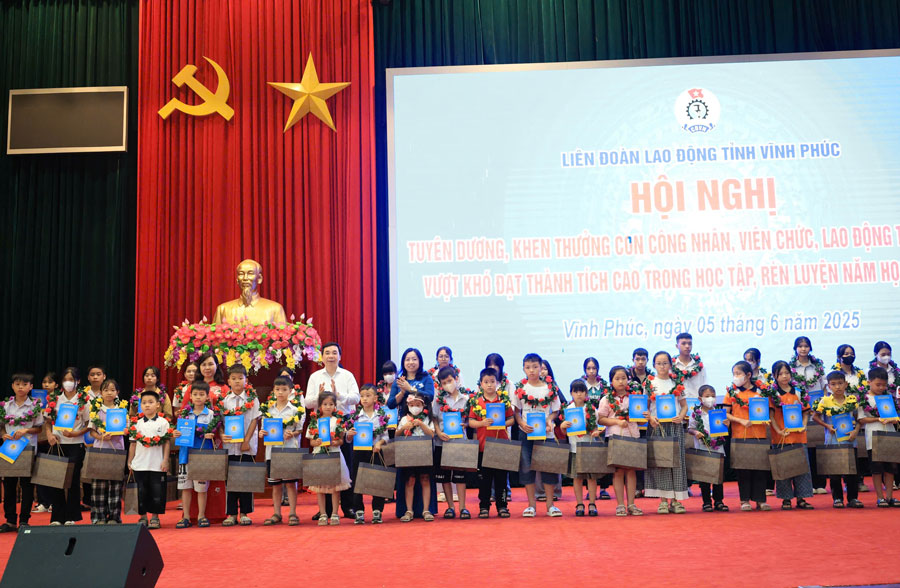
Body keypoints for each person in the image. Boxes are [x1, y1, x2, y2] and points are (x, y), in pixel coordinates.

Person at [305, 342, 359, 519]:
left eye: (334, 353)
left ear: (340, 356)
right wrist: (319, 396)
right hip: (322, 426)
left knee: (346, 466)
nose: (330, 356)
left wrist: (338, 395)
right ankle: (326, 510)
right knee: (324, 467)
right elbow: (307, 402)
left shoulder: (347, 375)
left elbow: (356, 398)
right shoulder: (315, 377)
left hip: (342, 424)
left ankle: (348, 506)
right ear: (322, 357)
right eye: (327, 353)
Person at [388, 348, 436, 518]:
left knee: (424, 474)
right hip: (405, 425)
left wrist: (412, 389)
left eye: (414, 359)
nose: (411, 362)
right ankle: (406, 509)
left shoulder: (426, 378)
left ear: (419, 361)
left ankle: (426, 509)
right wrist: (403, 391)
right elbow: (391, 404)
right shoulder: (399, 380)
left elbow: (430, 396)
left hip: (423, 424)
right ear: (403, 362)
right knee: (408, 475)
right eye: (407, 359)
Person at [512, 353, 562, 518]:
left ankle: (550, 505)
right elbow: (516, 411)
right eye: (528, 367)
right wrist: (521, 423)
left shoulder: (550, 387)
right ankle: (531, 505)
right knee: (527, 467)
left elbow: (556, 410)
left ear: (541, 367)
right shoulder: (520, 388)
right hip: (526, 433)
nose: (532, 370)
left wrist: (549, 419)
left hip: (546, 433)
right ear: (524, 369)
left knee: (548, 467)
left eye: (535, 367)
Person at [44, 367, 90, 525]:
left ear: (78, 381)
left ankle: (72, 516)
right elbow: (48, 421)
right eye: (65, 380)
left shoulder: (83, 399)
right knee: (57, 479)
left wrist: (77, 434)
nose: (68, 383)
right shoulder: (55, 398)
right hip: (58, 443)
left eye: (71, 379)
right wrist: (50, 435)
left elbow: (89, 424)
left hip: (75, 444)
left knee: (72, 480)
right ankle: (57, 516)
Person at [645, 351, 689, 514]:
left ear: (670, 365)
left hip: (675, 426)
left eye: (665, 363)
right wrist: (650, 419)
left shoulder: (676, 383)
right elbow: (645, 407)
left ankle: (677, 501)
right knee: (661, 462)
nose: (662, 366)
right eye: (658, 363)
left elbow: (684, 405)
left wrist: (681, 416)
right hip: (657, 427)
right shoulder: (650, 383)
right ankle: (663, 501)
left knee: (676, 463)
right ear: (654, 365)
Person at [467, 368, 513, 518]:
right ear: (480, 384)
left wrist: (503, 423)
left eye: (492, 382)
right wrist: (482, 423)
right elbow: (471, 422)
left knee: (501, 479)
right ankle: (484, 506)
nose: (489, 385)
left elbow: (512, 419)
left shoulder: (504, 401)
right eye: (486, 382)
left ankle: (502, 506)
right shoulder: (477, 401)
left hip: (501, 445)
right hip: (483, 446)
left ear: (498, 383)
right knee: (485, 480)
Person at [812, 371, 863, 508]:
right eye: (833, 384)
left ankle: (853, 498)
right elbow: (815, 417)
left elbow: (860, 419)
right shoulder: (825, 400)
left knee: (852, 471)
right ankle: (837, 498)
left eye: (840, 383)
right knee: (834, 472)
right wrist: (827, 425)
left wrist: (856, 431)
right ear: (828, 386)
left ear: (846, 384)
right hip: (833, 440)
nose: (838, 387)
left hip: (850, 440)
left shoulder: (852, 400)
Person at [597, 366, 643, 516]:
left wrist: (644, 416)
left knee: (631, 471)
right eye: (617, 378)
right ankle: (620, 505)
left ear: (628, 379)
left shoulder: (635, 398)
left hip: (632, 436)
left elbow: (641, 422)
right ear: (611, 381)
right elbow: (601, 419)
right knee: (618, 472)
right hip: (615, 437)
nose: (621, 381)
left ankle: (631, 504)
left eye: (624, 378)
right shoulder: (606, 399)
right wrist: (617, 422)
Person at [173, 381, 219, 528]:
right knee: (185, 487)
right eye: (195, 394)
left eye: (201, 394)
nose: (198, 397)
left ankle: (201, 516)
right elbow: (178, 433)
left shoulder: (211, 414)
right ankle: (186, 517)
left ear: (207, 397)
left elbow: (216, 432)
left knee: (201, 488)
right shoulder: (185, 414)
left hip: (202, 456)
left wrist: (211, 434)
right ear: (190, 397)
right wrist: (176, 433)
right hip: (185, 455)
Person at [0, 373, 43, 531]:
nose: (20, 387)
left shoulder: (35, 405)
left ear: (31, 387)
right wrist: (3, 434)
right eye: (17, 384)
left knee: (27, 486)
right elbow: (2, 425)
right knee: (9, 485)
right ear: (12, 386)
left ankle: (24, 520)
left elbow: (39, 428)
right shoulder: (5, 405)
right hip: (9, 448)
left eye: (24, 384)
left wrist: (26, 430)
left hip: (27, 448)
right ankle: (10, 520)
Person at [769, 361, 814, 510]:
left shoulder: (799, 391)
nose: (784, 376)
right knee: (783, 469)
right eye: (780, 374)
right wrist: (778, 430)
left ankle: (802, 498)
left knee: (801, 468)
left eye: (787, 373)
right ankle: (786, 499)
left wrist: (804, 425)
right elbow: (771, 415)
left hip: (798, 436)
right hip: (781, 436)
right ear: (774, 375)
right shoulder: (772, 393)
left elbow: (806, 412)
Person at [259, 376, 305, 526]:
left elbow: (299, 430)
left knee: (290, 483)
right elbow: (263, 429)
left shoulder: (295, 409)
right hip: (272, 451)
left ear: (290, 391)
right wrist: (261, 433)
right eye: (277, 389)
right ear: (273, 391)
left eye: (284, 390)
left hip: (289, 450)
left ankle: (293, 512)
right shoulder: (267, 410)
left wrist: (292, 433)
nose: (280, 392)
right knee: (275, 484)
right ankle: (277, 513)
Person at [725, 360, 770, 511]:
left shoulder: (761, 391)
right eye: (734, 374)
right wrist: (741, 421)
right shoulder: (731, 392)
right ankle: (744, 500)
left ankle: (760, 499)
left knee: (760, 469)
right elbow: (726, 414)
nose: (735, 376)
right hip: (739, 434)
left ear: (748, 375)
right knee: (742, 470)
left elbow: (768, 410)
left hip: (759, 434)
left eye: (738, 373)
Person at [220, 364, 260, 526]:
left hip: (247, 445)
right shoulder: (224, 401)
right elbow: (220, 422)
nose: (237, 381)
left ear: (246, 380)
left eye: (240, 378)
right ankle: (231, 513)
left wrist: (246, 441)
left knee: (245, 478)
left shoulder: (252, 398)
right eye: (234, 379)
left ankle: (244, 512)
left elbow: (254, 420)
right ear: (228, 381)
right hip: (229, 446)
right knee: (230, 480)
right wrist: (222, 434)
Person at [126, 390, 172, 529]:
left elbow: (166, 443)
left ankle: (155, 517)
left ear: (158, 405)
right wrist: (130, 461)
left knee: (157, 492)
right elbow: (133, 444)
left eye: (150, 402)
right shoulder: (136, 423)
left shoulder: (163, 423)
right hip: (140, 464)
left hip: (157, 464)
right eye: (144, 403)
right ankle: (143, 517)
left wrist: (165, 460)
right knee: (141, 491)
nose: (147, 405)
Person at [346, 384, 390, 524]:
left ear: (375, 398)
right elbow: (347, 438)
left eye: (368, 395)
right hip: (359, 452)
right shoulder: (355, 416)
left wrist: (379, 443)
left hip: (376, 450)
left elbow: (386, 435)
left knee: (378, 480)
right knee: (358, 480)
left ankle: (377, 510)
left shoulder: (381, 415)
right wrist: (350, 435)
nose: (364, 399)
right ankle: (359, 511)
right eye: (362, 396)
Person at [432, 366, 472, 519]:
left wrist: (467, 424)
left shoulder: (466, 398)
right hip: (442, 442)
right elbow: (434, 418)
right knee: (445, 477)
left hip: (460, 442)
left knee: (460, 477)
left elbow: (471, 419)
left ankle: (463, 507)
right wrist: (438, 432)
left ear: (456, 379)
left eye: (450, 380)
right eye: (444, 382)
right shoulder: (439, 400)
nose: (448, 384)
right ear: (440, 385)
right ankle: (450, 507)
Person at [307, 391, 352, 526]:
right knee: (319, 487)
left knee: (334, 487)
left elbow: (341, 441)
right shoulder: (315, 422)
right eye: (325, 404)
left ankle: (334, 513)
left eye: (331, 404)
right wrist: (317, 442)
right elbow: (311, 442)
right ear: (320, 406)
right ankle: (323, 513)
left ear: (335, 406)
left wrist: (335, 442)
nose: (328, 407)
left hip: (334, 454)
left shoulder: (337, 421)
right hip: (319, 455)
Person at [789, 336, 827, 494]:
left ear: (810, 348)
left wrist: (821, 406)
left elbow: (824, 387)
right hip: (799, 412)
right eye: (800, 346)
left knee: (818, 447)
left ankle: (820, 483)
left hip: (816, 411)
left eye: (806, 346)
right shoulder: (791, 367)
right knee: (802, 447)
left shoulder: (817, 365)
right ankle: (806, 484)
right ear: (795, 348)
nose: (803, 348)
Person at [87, 379, 129, 525]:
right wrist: (101, 436)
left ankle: (114, 517)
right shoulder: (95, 409)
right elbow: (91, 431)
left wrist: (124, 430)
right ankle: (98, 517)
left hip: (117, 450)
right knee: (98, 485)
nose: (109, 393)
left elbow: (127, 429)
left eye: (112, 390)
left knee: (115, 485)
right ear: (101, 393)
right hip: (100, 450)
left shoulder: (122, 409)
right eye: (106, 390)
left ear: (117, 392)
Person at [560, 379, 601, 517]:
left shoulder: (591, 409)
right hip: (574, 448)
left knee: (591, 478)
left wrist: (596, 431)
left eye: (582, 391)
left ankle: (592, 503)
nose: (579, 394)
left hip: (589, 447)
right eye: (576, 391)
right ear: (571, 393)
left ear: (586, 393)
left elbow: (595, 427)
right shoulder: (568, 410)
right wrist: (562, 426)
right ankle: (579, 503)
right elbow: (564, 433)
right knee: (577, 478)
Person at [858, 367, 898, 507]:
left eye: (884, 385)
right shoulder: (864, 399)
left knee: (890, 468)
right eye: (878, 385)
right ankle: (880, 497)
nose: (881, 387)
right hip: (873, 436)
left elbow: (896, 417)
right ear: (869, 382)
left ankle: (890, 497)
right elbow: (861, 419)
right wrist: (877, 419)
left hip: (890, 434)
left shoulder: (888, 398)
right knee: (877, 469)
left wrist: (893, 419)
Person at [687, 384, 728, 512]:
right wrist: (695, 433)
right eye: (707, 396)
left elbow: (723, 429)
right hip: (703, 447)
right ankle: (706, 502)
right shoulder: (696, 413)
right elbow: (690, 429)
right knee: (704, 477)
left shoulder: (719, 412)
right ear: (700, 399)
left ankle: (719, 501)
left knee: (718, 476)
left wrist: (727, 424)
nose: (711, 398)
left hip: (718, 447)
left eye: (713, 396)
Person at [834, 344, 869, 492]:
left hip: (858, 410)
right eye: (846, 353)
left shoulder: (859, 374)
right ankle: (845, 481)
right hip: (842, 413)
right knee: (844, 445)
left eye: (851, 353)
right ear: (839, 356)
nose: (849, 356)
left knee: (858, 447)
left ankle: (858, 480)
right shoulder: (835, 373)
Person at [396, 391, 435, 522]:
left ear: (423, 406)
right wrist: (403, 428)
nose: (415, 407)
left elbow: (432, 434)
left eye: (418, 405)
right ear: (408, 406)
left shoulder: (428, 419)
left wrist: (422, 424)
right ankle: (409, 510)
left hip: (425, 452)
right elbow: (396, 435)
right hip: (409, 453)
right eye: (412, 405)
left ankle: (426, 510)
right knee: (410, 480)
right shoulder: (404, 419)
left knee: (425, 479)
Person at [31, 372, 57, 513]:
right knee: (39, 472)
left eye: (50, 382)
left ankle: (53, 502)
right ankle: (42, 502)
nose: (46, 385)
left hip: (52, 439)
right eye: (44, 382)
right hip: (38, 439)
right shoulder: (35, 400)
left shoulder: (58, 400)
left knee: (52, 471)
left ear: (56, 385)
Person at [671, 333, 706, 400]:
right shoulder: (671, 365)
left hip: (696, 404)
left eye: (690, 344)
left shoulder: (699, 366)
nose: (687, 346)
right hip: (678, 405)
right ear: (677, 346)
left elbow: (704, 385)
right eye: (683, 343)